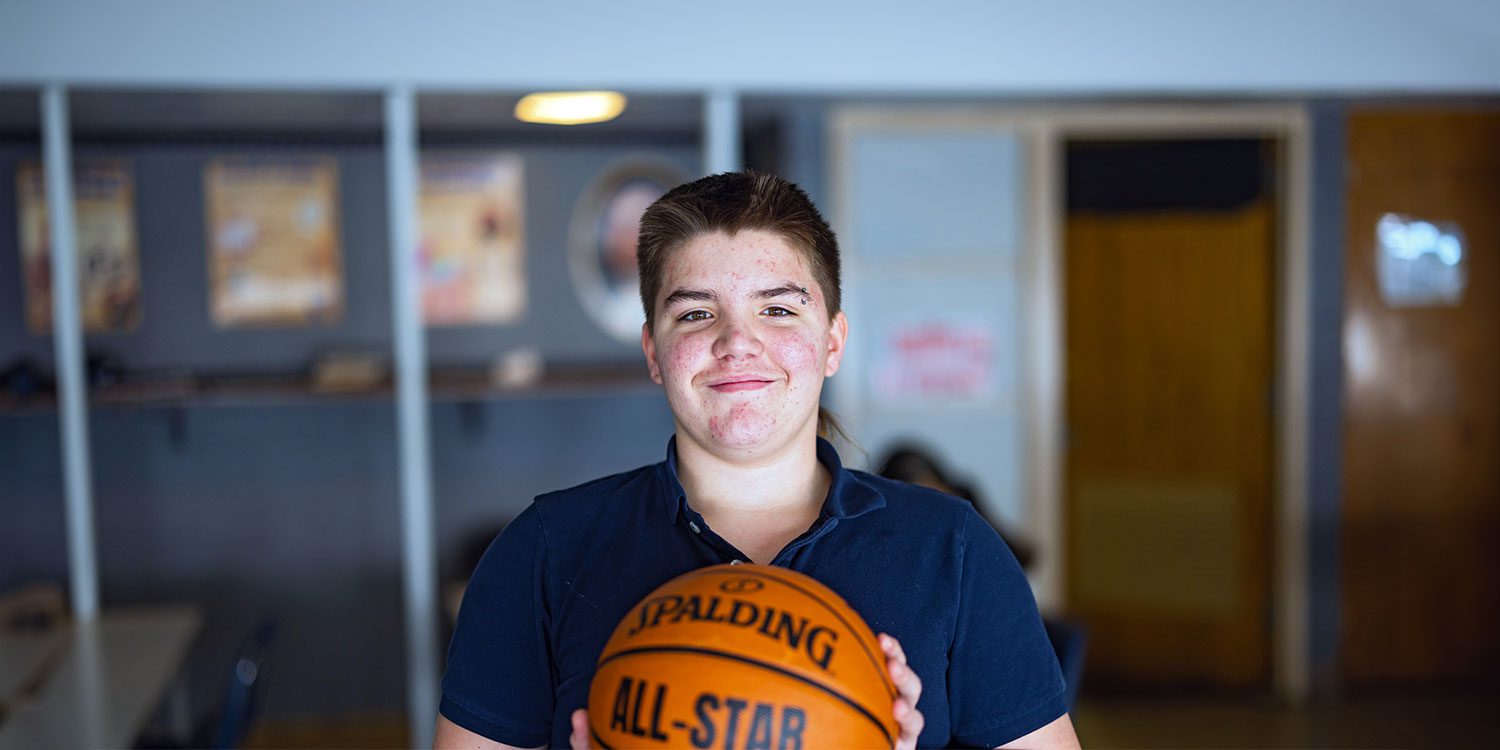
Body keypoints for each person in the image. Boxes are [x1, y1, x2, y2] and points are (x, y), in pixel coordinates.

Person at [435, 171, 1079, 749]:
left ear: (832, 341)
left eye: (777, 309)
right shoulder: (542, 553)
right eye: (694, 313)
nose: (737, 342)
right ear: (654, 353)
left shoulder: (955, 551)